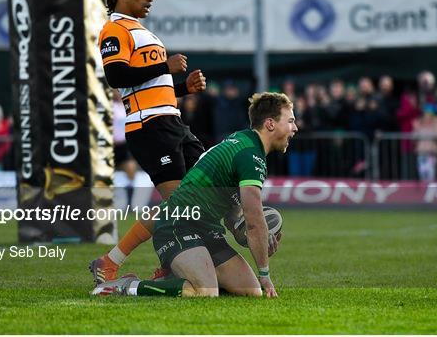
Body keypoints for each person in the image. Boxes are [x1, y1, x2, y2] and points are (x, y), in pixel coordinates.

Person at [91, 92, 297, 298]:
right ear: (270, 124)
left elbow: (236, 218)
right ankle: (128, 286)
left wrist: (254, 239)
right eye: (290, 121)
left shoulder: (244, 142)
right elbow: (254, 221)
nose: (295, 128)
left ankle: (173, 278)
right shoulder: (250, 155)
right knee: (206, 292)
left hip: (207, 230)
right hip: (178, 227)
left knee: (251, 291)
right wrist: (264, 272)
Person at [90, 0, 207, 285]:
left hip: (172, 123)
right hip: (149, 128)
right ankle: (115, 263)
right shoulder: (115, 30)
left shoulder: (143, 31)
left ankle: (153, 264)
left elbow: (150, 85)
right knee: (181, 205)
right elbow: (117, 77)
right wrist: (164, 65)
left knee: (201, 196)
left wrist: (184, 89)